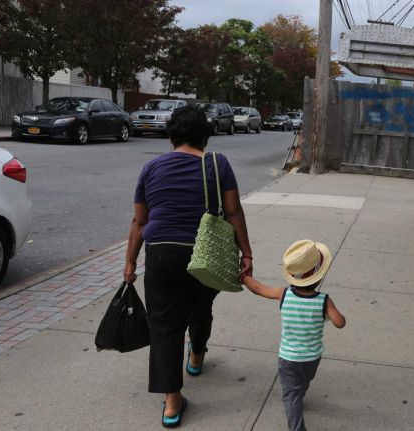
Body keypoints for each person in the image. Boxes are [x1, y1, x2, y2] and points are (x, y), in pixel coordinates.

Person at [123, 105, 253, 428]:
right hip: (204, 253)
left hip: (161, 255)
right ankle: (196, 354)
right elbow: (234, 212)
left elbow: (140, 220)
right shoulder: (217, 164)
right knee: (201, 306)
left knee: (165, 327)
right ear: (205, 137)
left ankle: (172, 403)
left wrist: (130, 262)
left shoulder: (151, 168)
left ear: (171, 136)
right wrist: (246, 254)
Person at [241, 239, 346, 431]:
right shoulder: (324, 301)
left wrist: (245, 276)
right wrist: (334, 312)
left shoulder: (283, 294)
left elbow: (257, 289)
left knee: (291, 395)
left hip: (288, 358)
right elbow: (340, 323)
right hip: (312, 358)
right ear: (319, 276)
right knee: (304, 382)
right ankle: (300, 399)